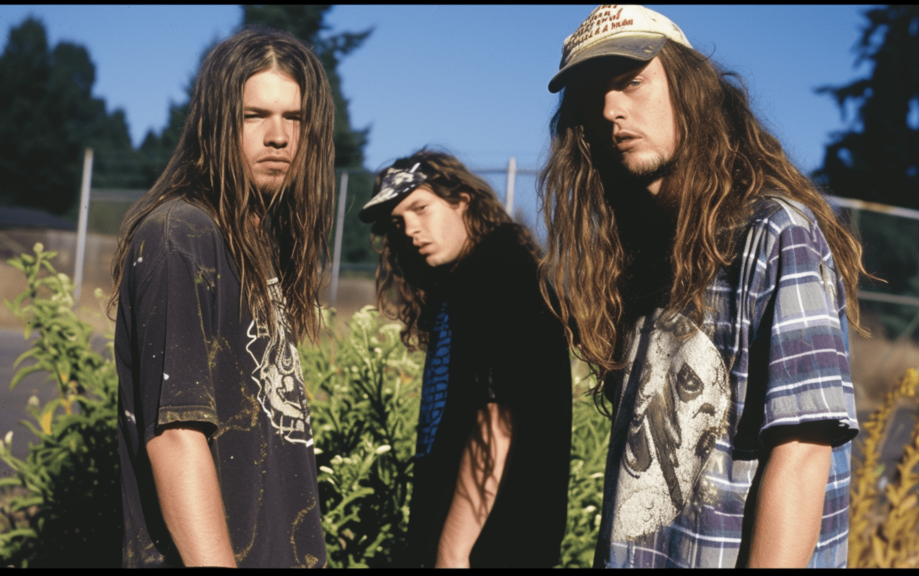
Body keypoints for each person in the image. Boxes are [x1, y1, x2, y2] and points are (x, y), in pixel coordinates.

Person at [540, 5, 868, 568]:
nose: (610, 109)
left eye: (632, 83)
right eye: (595, 97)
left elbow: (803, 454)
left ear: (691, 92)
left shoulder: (774, 232)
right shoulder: (641, 257)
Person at [111, 28, 335, 567]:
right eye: (254, 115)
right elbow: (176, 437)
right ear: (216, 123)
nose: (279, 136)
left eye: (295, 118)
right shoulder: (180, 236)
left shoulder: (254, 243)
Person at [358, 150, 573, 568]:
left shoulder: (500, 275)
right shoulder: (465, 280)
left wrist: (452, 552)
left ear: (462, 199)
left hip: (493, 546)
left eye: (421, 208)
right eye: (399, 222)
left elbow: (496, 422)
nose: (411, 230)